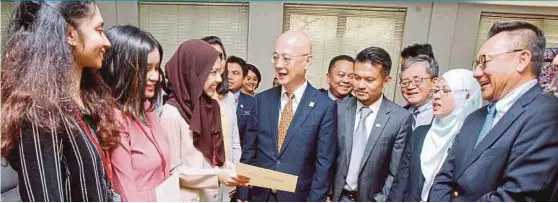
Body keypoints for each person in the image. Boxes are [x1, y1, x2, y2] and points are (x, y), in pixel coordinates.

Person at [1, 1, 119, 201]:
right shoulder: (40, 114)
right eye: (99, 30)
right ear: (70, 34)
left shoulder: (84, 102)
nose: (107, 42)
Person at [430, 21, 558, 202]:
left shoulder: (547, 113)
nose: (476, 73)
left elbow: (517, 195)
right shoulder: (475, 119)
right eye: (476, 64)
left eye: (485, 62)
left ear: (521, 60)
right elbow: (443, 179)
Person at [238, 30, 337, 202]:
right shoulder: (261, 101)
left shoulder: (324, 107)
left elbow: (323, 165)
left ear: (307, 61)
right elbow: (249, 152)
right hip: (260, 196)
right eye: (275, 57)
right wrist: (242, 193)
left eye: (286, 58)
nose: (278, 64)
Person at [160, 39, 249, 202]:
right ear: (193, 73)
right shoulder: (171, 114)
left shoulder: (210, 106)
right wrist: (217, 175)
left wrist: (233, 170)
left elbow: (215, 157)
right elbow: (173, 172)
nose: (219, 79)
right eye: (212, 73)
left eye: (218, 72)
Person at [331, 47, 412, 202]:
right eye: (356, 77)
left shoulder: (399, 119)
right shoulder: (338, 110)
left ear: (386, 81)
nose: (360, 85)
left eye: (369, 80)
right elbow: (326, 158)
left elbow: (396, 173)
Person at [99, 25, 170, 202]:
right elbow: (125, 190)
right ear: (122, 69)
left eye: (157, 68)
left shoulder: (147, 107)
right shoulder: (115, 118)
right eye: (147, 69)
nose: (155, 76)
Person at [388, 69, 482, 202]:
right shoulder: (420, 134)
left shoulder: (475, 142)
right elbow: (399, 185)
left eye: (445, 90)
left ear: (466, 96)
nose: (437, 96)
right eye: (436, 90)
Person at [202, 36, 243, 202]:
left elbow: (234, 142)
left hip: (226, 177)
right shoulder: (196, 99)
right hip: (203, 178)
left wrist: (233, 172)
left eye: (221, 56)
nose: (217, 61)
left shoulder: (228, 98)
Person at [225, 55, 258, 200]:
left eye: (235, 73)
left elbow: (252, 144)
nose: (229, 77)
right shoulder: (214, 100)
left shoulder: (254, 103)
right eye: (226, 73)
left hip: (242, 167)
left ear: (244, 78)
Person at [399, 54, 439, 129]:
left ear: (434, 82)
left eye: (417, 81)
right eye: (405, 82)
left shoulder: (442, 116)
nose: (410, 87)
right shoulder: (396, 115)